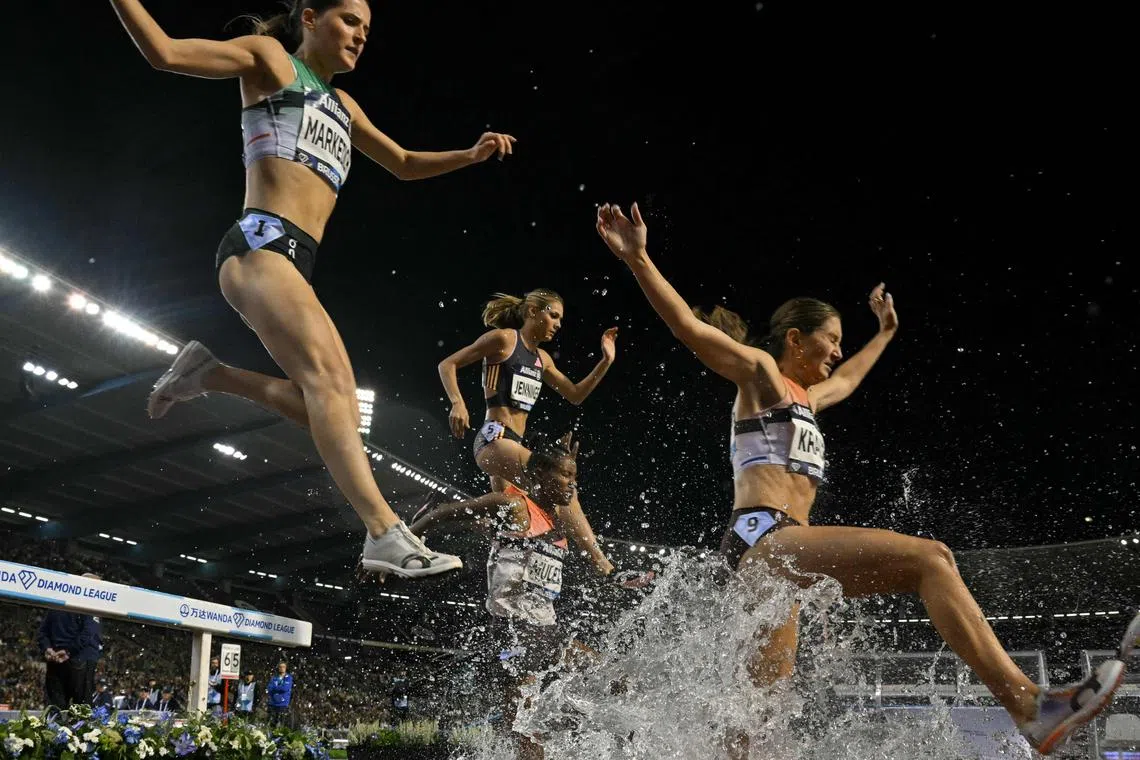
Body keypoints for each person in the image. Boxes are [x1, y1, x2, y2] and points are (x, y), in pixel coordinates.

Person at [594, 201, 1131, 756]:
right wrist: (638, 258)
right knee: (931, 559)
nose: (838, 351)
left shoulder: (808, 400)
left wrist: (886, 333)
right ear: (795, 340)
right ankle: (1029, 707)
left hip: (776, 556)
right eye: (832, 338)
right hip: (764, 538)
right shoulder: (759, 375)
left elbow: (848, 381)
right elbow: (687, 327)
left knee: (756, 726)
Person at [109, 0, 516, 577]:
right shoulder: (270, 60)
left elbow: (401, 162)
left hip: (294, 261)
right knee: (330, 384)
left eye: (368, 30)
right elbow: (165, 52)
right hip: (259, 242)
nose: (361, 36)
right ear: (308, 17)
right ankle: (382, 530)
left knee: (339, 410)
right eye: (350, 21)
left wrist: (469, 155)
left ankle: (210, 374)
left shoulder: (344, 105)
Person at [402, 431, 649, 760]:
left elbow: (586, 540)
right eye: (563, 474)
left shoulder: (560, 523)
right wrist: (403, 543)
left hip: (545, 630)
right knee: (526, 730)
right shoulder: (514, 505)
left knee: (614, 679)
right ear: (537, 475)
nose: (571, 484)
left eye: (574, 477)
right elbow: (444, 512)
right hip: (514, 630)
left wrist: (615, 573)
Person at [437, 289, 619, 579]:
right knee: (562, 486)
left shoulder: (542, 359)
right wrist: (457, 402)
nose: (558, 324)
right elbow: (447, 364)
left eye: (561, 318)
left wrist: (605, 361)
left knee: (516, 528)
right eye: (554, 315)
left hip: (514, 447)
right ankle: (604, 567)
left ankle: (440, 522)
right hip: (494, 438)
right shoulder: (504, 340)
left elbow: (575, 395)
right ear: (533, 311)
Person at [266, 661, 294, 727]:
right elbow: (269, 688)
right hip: (273, 703)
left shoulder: (288, 678)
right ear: (278, 668)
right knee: (272, 725)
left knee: (281, 725)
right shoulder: (274, 677)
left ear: (286, 668)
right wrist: (279, 688)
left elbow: (285, 688)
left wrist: (275, 688)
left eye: (283, 667)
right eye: (280, 667)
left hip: (283, 704)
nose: (282, 668)